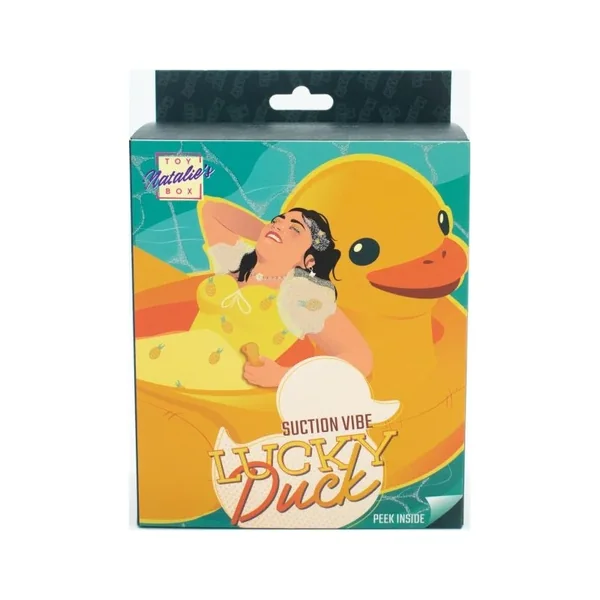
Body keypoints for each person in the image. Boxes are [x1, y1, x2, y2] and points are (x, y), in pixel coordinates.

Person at [134, 199, 373, 390]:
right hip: (177, 360)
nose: (279, 225)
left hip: (221, 383)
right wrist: (272, 233)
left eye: (295, 229)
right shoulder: (235, 262)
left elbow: (361, 358)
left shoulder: (301, 297)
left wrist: (284, 376)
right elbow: (212, 211)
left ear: (308, 261)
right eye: (277, 220)